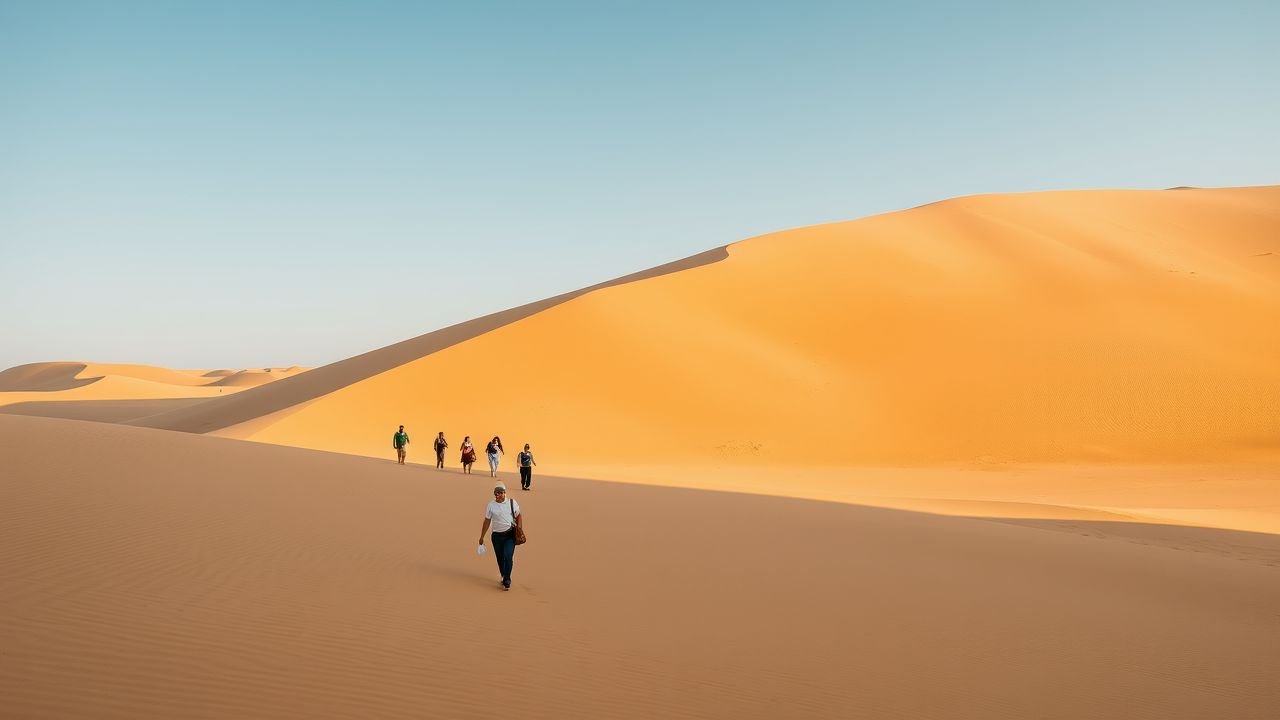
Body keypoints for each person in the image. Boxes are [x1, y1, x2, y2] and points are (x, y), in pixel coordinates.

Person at [478, 481, 522, 591]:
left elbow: (519, 515)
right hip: (496, 537)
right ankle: (503, 573)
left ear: (504, 493)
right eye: (495, 493)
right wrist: (482, 536)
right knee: (500, 557)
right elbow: (487, 521)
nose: (497, 495)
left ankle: (507, 579)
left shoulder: (512, 503)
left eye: (499, 493)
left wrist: (520, 528)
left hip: (509, 535)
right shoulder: (491, 505)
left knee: (508, 556)